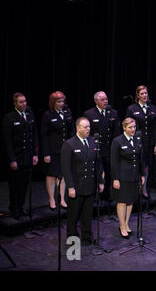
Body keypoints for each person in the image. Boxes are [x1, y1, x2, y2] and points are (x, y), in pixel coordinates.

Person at [61, 117, 104, 245]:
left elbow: (98, 164)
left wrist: (100, 181)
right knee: (73, 216)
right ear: (78, 128)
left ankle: (86, 237)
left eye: (89, 126)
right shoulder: (69, 144)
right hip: (76, 185)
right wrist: (70, 187)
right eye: (85, 127)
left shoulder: (93, 142)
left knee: (87, 214)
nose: (88, 129)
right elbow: (66, 168)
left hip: (90, 185)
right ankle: (73, 240)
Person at [2, 92, 39, 219]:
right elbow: (7, 141)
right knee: (15, 184)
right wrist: (12, 159)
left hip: (28, 156)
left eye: (25, 101)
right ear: (15, 103)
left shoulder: (29, 115)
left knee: (24, 184)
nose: (24, 104)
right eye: (21, 102)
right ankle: (14, 208)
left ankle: (21, 206)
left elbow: (34, 135)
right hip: (16, 157)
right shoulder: (9, 118)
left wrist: (35, 153)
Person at [110, 118, 146, 238]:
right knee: (122, 201)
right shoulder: (117, 141)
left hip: (134, 175)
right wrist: (115, 178)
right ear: (124, 127)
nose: (133, 129)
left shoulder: (137, 139)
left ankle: (126, 223)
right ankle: (121, 225)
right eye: (130, 127)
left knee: (130, 200)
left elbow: (141, 159)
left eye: (134, 127)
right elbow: (114, 161)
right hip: (122, 176)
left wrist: (142, 174)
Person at [83, 91, 121, 202]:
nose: (105, 101)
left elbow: (116, 132)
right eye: (102, 99)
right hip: (96, 149)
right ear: (96, 101)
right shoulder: (89, 114)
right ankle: (94, 195)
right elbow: (88, 134)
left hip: (109, 149)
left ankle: (107, 194)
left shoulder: (113, 113)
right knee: (95, 172)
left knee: (109, 172)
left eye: (106, 99)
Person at [41, 91, 75, 211]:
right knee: (52, 174)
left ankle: (62, 198)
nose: (61, 104)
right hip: (53, 149)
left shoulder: (67, 112)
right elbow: (44, 136)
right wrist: (46, 153)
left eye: (62, 101)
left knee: (64, 173)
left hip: (65, 148)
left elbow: (71, 130)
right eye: (58, 102)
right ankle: (51, 198)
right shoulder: (48, 115)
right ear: (53, 102)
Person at [126, 85, 156, 197]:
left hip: (149, 142)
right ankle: (135, 189)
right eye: (142, 94)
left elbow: (155, 128)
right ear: (138, 95)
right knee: (136, 164)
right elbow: (128, 125)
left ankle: (144, 189)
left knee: (146, 166)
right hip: (136, 141)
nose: (144, 95)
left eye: (146, 93)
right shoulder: (132, 109)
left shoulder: (152, 108)